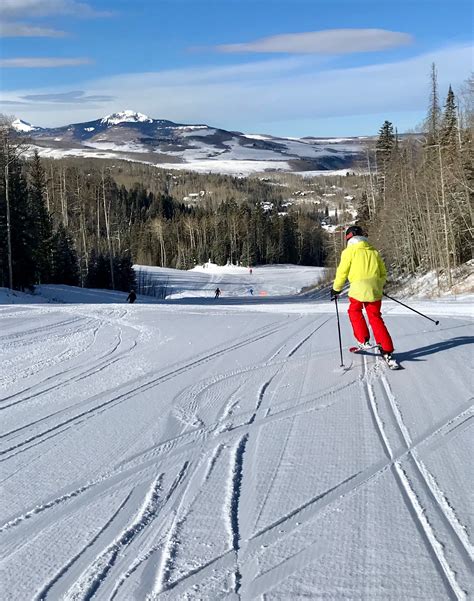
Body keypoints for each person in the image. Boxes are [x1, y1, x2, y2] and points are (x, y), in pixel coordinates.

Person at [331, 226, 394, 361]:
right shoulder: (373, 251)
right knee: (375, 317)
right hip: (374, 290)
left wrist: (336, 289)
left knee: (354, 310)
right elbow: (383, 273)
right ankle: (387, 349)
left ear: (349, 238)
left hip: (358, 289)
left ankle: (363, 339)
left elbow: (342, 272)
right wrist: (378, 284)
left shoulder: (349, 252)